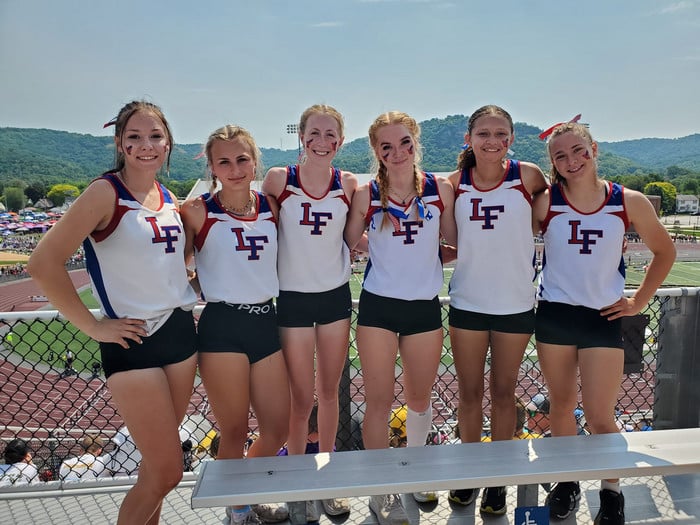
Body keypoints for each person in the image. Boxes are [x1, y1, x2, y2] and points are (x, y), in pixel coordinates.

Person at [27, 100, 199, 524]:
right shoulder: (105, 192)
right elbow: (42, 264)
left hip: (179, 332)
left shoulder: (168, 195)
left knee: (155, 469)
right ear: (119, 143)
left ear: (168, 143)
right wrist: (92, 326)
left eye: (155, 136)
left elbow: (172, 267)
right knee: (168, 470)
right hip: (132, 339)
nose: (146, 145)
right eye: (135, 137)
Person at [533, 121, 675, 524]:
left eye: (578, 150)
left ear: (594, 149)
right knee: (561, 407)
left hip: (603, 317)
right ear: (553, 164)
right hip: (556, 314)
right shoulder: (546, 201)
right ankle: (567, 481)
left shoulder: (627, 201)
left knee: (600, 415)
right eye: (560, 155)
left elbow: (663, 252)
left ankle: (611, 492)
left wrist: (639, 301)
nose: (571, 160)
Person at [344, 111, 457, 524]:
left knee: (419, 399)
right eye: (386, 145)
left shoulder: (438, 188)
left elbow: (455, 242)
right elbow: (347, 241)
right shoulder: (366, 192)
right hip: (378, 306)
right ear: (376, 150)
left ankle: (416, 473)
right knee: (378, 402)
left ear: (416, 143)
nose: (397, 152)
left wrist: (427, 258)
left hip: (423, 306)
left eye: (404, 142)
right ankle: (382, 490)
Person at [181, 125, 291, 525]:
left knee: (277, 429)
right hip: (223, 325)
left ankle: (241, 489)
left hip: (267, 321)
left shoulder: (271, 207)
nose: (234, 168)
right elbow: (175, 266)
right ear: (211, 166)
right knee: (233, 429)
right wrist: (200, 283)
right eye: (223, 161)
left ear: (254, 161)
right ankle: (239, 508)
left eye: (242, 159)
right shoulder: (196, 211)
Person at [446, 105, 548, 514]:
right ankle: (472, 473)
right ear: (468, 138)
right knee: (469, 394)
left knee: (504, 393)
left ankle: (499, 480)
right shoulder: (454, 184)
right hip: (468, 302)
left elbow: (557, 213)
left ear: (511, 138)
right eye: (483, 133)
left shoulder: (528, 177)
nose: (492, 141)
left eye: (500, 133)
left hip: (515, 304)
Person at [262, 104, 357, 519]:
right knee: (300, 399)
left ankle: (328, 478)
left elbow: (356, 240)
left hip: (335, 296)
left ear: (340, 139)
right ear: (301, 136)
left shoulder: (349, 184)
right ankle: (297, 483)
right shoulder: (279, 180)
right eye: (314, 133)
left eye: (330, 134)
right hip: (294, 299)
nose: (322, 142)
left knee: (330, 393)